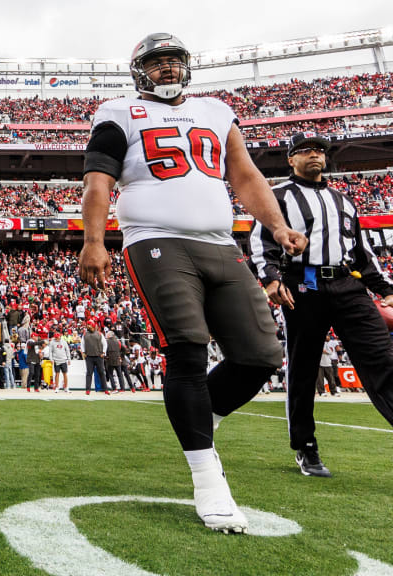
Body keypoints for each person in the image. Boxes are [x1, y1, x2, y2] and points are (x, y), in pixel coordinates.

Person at [78, 32, 307, 533]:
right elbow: (99, 181)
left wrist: (275, 224)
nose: (167, 70)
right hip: (155, 239)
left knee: (261, 355)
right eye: (156, 63)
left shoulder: (217, 111)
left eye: (174, 61)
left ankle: (203, 418)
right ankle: (209, 480)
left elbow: (245, 177)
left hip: (222, 243)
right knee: (186, 347)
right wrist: (94, 240)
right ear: (140, 70)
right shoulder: (118, 111)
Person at [249, 131, 393, 478]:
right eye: (305, 150)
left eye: (319, 150)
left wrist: (386, 288)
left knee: (383, 359)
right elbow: (260, 240)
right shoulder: (278, 196)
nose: (314, 155)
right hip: (303, 286)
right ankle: (305, 446)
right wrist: (272, 278)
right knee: (303, 369)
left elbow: (362, 253)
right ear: (291, 159)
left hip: (347, 284)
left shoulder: (344, 200)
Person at [81, 324, 109, 396]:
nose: (88, 327)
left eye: (90, 326)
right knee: (89, 373)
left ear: (93, 327)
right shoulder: (85, 335)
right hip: (89, 356)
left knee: (102, 373)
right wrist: (83, 352)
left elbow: (105, 344)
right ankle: (87, 390)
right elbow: (82, 344)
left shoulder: (100, 334)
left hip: (98, 356)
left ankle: (105, 389)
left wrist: (103, 352)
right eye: (88, 326)